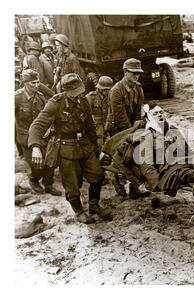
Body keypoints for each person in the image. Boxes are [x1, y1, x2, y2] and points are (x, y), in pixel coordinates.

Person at [28, 73, 110, 224]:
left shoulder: (83, 101)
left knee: (98, 175)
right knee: (72, 186)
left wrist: (97, 151)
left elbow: (90, 127)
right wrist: (35, 147)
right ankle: (79, 211)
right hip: (66, 149)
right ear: (65, 91)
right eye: (74, 92)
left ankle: (93, 205)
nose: (78, 95)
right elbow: (36, 126)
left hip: (84, 146)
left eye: (80, 91)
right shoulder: (55, 103)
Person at [106, 58, 149, 199]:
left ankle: (134, 188)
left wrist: (137, 129)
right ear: (125, 72)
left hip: (130, 126)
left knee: (137, 156)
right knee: (121, 158)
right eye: (133, 73)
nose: (137, 76)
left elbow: (137, 112)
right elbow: (120, 117)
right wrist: (131, 135)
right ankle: (118, 182)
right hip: (117, 128)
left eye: (138, 73)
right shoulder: (116, 91)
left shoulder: (138, 88)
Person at [15, 70, 61, 196]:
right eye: (32, 83)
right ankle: (34, 180)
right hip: (25, 137)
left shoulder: (40, 96)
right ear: (24, 83)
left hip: (41, 135)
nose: (36, 85)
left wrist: (49, 128)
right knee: (36, 165)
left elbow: (48, 115)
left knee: (50, 160)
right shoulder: (17, 98)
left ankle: (48, 184)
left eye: (37, 82)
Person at [86, 76, 114, 149]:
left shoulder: (110, 97)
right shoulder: (91, 97)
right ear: (100, 89)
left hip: (107, 126)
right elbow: (87, 115)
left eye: (109, 90)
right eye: (105, 89)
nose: (107, 91)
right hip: (96, 127)